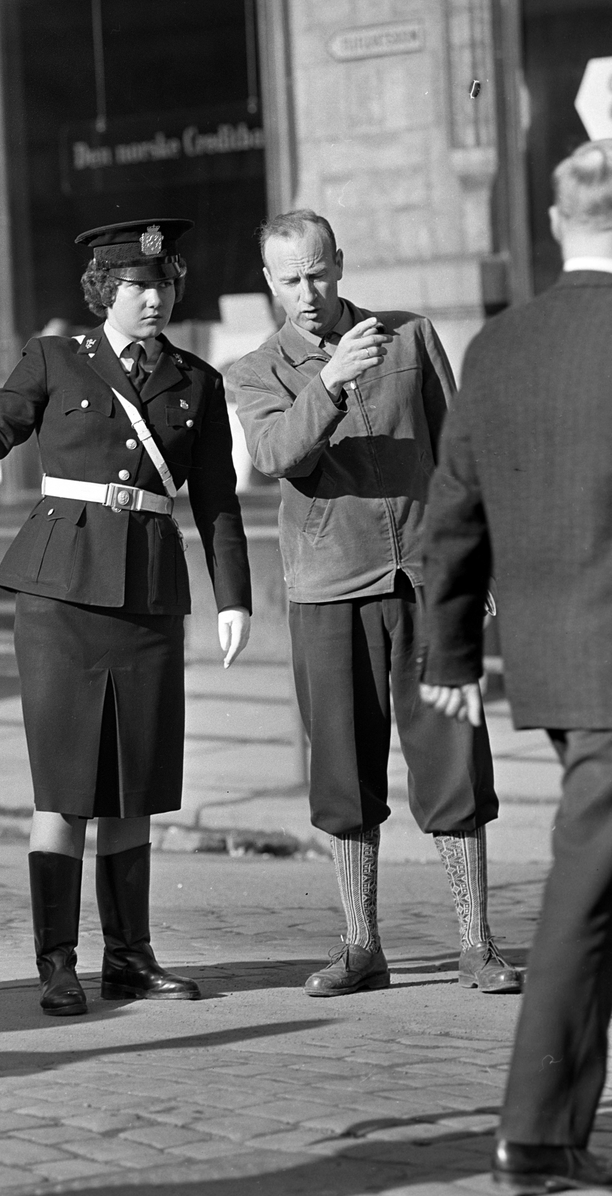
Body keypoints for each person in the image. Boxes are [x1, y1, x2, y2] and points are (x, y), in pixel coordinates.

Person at [0, 219, 252, 1016]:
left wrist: (233, 596)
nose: (152, 299)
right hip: (60, 591)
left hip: (145, 591)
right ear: (105, 290)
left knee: (134, 784)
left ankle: (131, 959)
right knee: (65, 788)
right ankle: (59, 962)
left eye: (164, 284)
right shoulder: (56, 358)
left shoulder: (197, 381)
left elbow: (216, 503)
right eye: (136, 286)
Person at [226, 209, 520, 998]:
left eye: (318, 272)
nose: (308, 292)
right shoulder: (255, 371)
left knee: (454, 755)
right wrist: (329, 381)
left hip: (425, 576)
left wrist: (474, 560)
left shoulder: (412, 336)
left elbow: (459, 449)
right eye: (290, 279)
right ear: (269, 283)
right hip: (328, 586)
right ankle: (361, 946)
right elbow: (275, 454)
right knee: (344, 772)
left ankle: (477, 943)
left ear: (340, 264)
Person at [420, 140, 612, 1192]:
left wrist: (450, 651)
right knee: (589, 885)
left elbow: (452, 510)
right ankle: (535, 1129)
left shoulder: (498, 343)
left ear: (552, 221)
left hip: (555, 657)